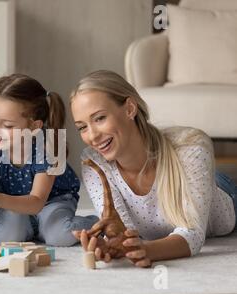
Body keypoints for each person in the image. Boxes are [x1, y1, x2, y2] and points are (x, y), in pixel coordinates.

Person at [70, 70, 236, 267]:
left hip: (223, 192)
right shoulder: (93, 162)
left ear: (130, 108)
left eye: (99, 118)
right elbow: (126, 233)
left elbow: (193, 233)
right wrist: (115, 245)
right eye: (82, 127)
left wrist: (145, 250)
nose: (92, 136)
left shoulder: (191, 146)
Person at [0, 74, 98, 246]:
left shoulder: (48, 148)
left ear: (34, 126)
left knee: (58, 236)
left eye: (7, 125)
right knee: (8, 236)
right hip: (11, 203)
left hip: (52, 202)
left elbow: (37, 202)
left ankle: (95, 223)